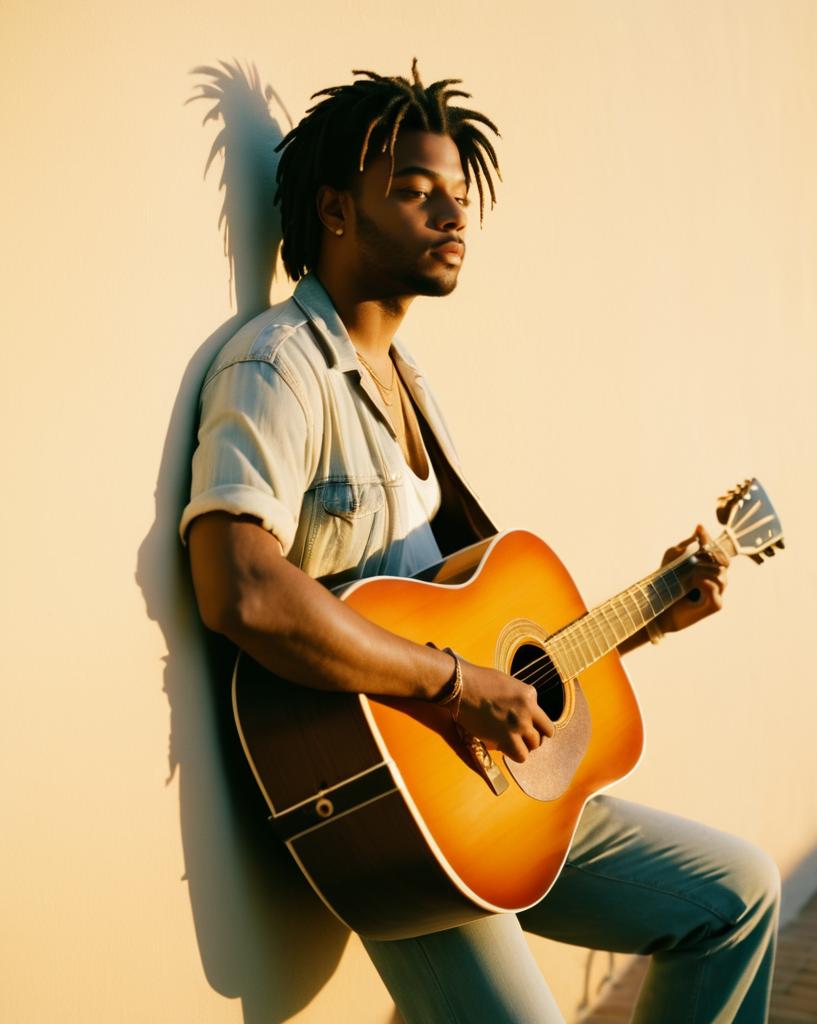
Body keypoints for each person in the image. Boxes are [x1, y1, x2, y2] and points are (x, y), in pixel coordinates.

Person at [181, 61, 779, 1024]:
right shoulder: (277, 366)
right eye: (417, 194)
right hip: (392, 816)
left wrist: (658, 613)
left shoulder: (412, 382)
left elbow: (481, 625)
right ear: (336, 210)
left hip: (487, 793)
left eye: (459, 198)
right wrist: (459, 689)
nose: (452, 218)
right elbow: (243, 588)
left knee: (738, 895)